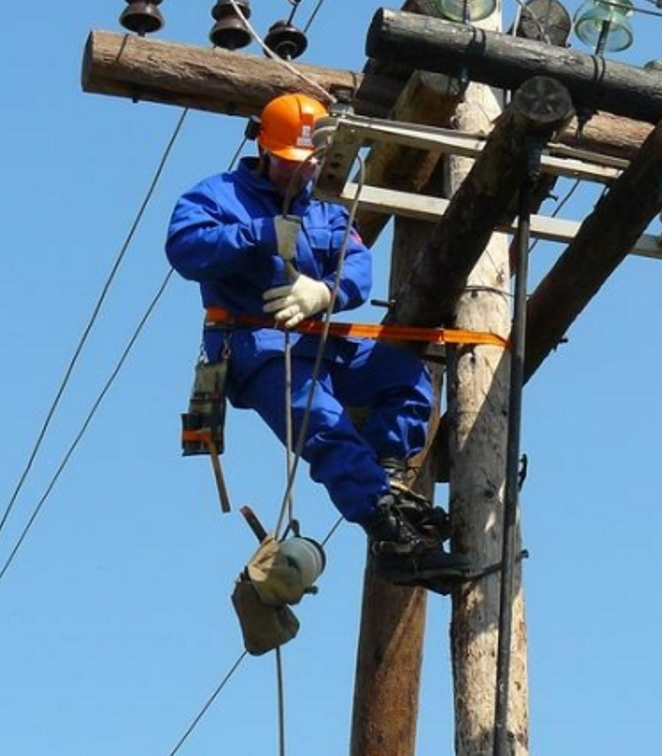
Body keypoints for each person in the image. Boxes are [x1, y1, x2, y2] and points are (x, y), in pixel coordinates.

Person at [166, 92, 469, 588]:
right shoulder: (217, 195)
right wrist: (259, 235)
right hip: (258, 348)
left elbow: (358, 265)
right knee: (324, 425)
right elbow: (184, 248)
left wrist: (326, 291)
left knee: (407, 379)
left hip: (323, 344)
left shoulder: (324, 211)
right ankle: (387, 530)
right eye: (290, 164)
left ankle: (387, 478)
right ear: (263, 149)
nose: (300, 174)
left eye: (308, 165)